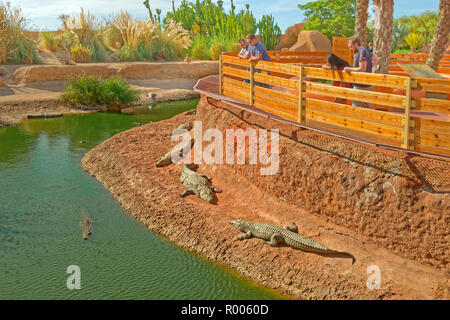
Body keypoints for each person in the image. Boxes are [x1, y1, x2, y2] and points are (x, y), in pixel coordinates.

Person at [344, 37, 373, 108]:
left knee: (356, 109)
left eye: (351, 47)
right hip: (365, 85)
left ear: (356, 44)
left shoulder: (362, 52)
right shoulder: (364, 51)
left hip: (362, 86)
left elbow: (362, 69)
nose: (350, 49)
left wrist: (349, 69)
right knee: (366, 109)